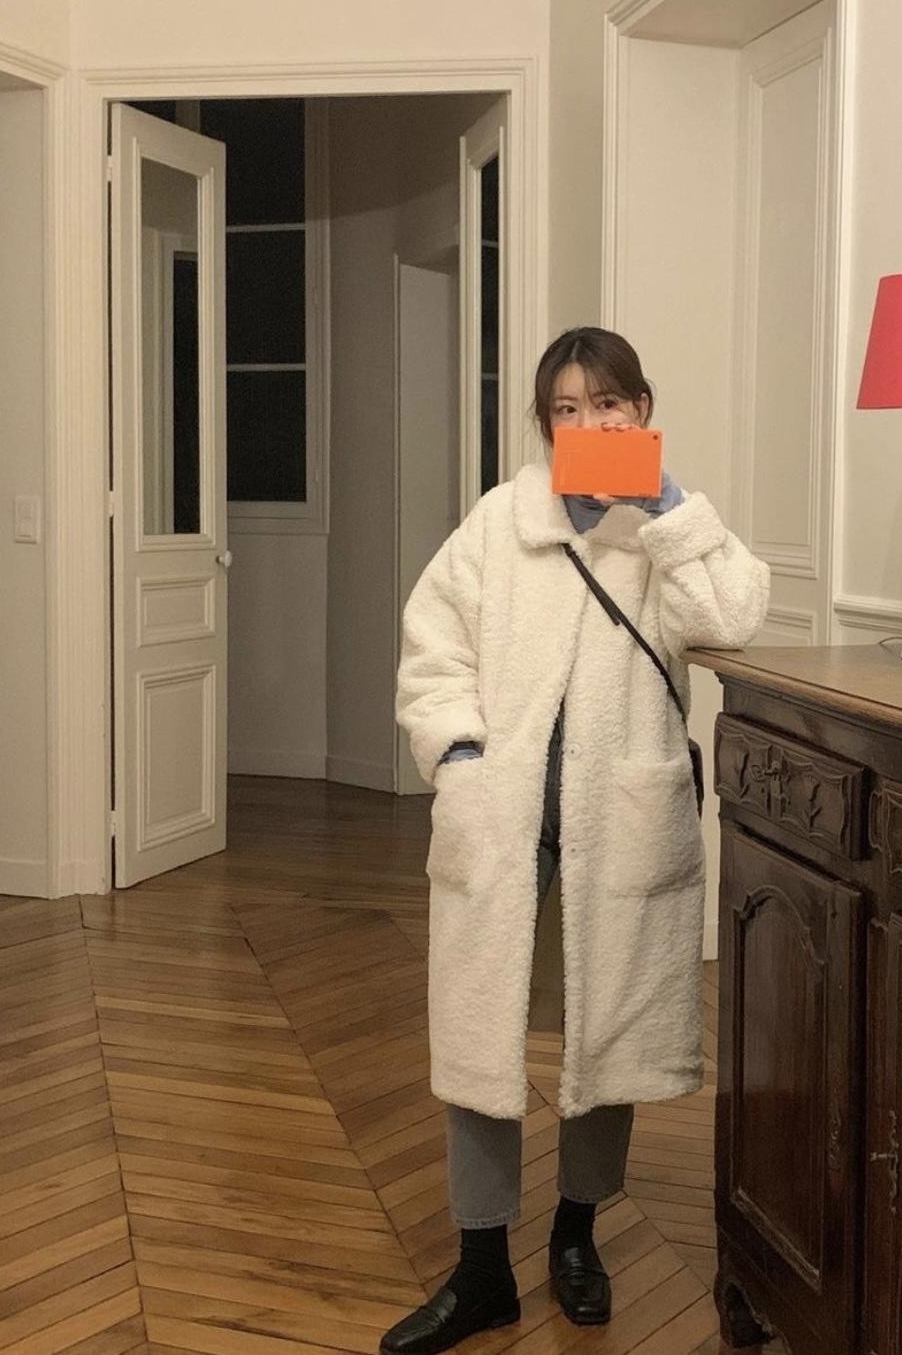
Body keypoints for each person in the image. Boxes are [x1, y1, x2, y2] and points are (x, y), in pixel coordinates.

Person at [381, 326, 770, 1354]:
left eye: (607, 404)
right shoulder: (499, 521)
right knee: (479, 1030)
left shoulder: (667, 531)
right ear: (545, 424)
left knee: (611, 1026)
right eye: (566, 408)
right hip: (502, 820)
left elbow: (733, 617)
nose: (587, 422)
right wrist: (460, 756)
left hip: (622, 824)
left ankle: (575, 1235)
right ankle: (479, 1269)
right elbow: (432, 646)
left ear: (641, 411)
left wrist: (667, 509)